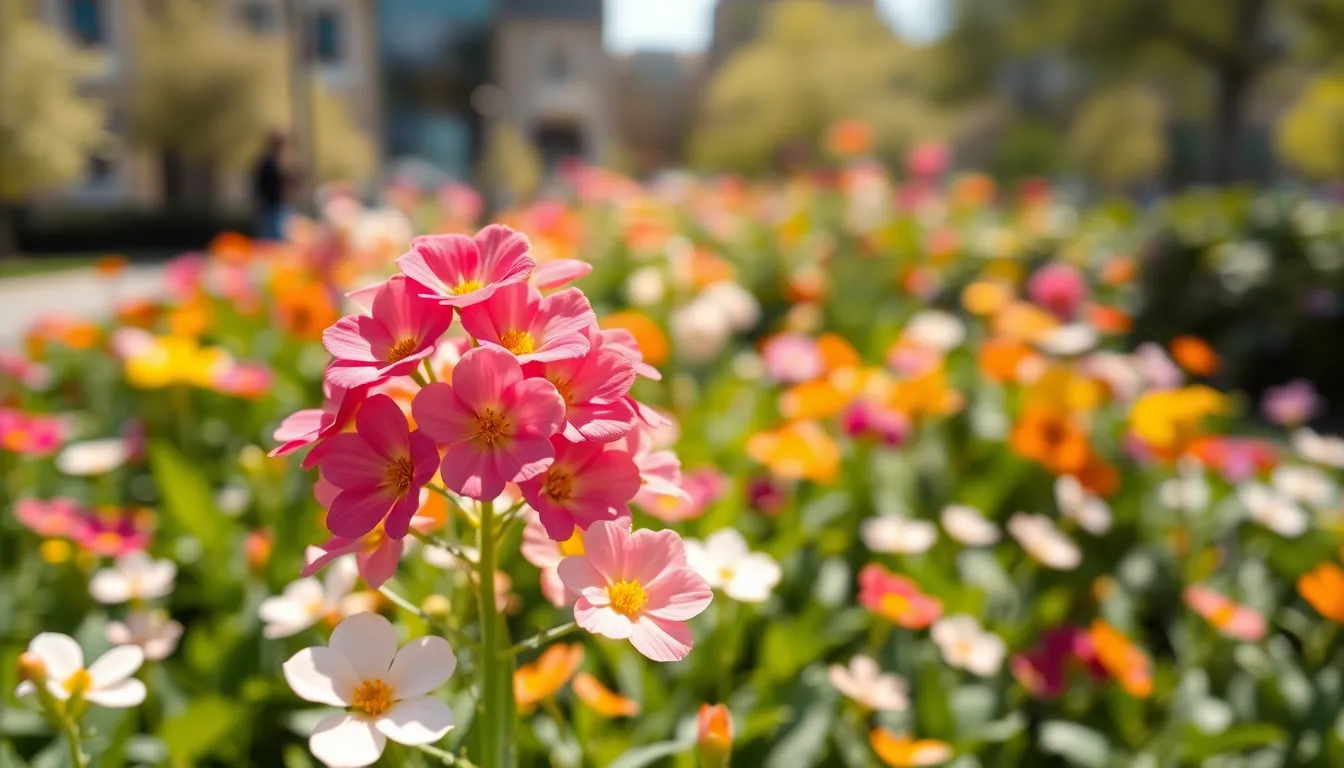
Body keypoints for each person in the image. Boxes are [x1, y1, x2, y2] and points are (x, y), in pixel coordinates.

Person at [252, 131, 290, 241]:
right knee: (271, 240)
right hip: (270, 205)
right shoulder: (268, 161)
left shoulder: (276, 161)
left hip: (276, 204)